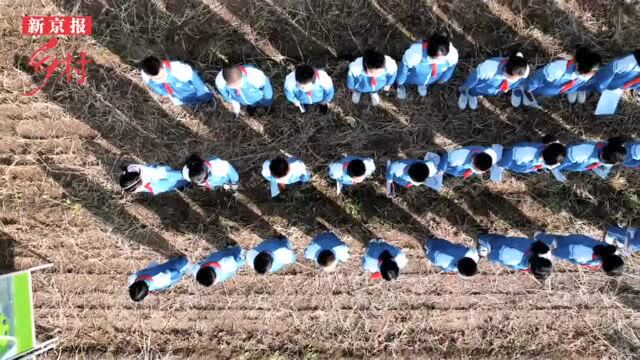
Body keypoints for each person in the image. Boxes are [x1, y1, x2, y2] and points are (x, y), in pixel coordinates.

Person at [525, 47, 602, 105]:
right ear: (583, 69)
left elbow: (575, 85)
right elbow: (537, 78)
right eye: (593, 72)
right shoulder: (557, 70)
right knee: (529, 98)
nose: (594, 74)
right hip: (538, 89)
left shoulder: (585, 74)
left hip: (552, 92)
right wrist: (528, 89)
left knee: (540, 99)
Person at [396, 32, 459, 99]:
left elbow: (451, 67)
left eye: (444, 56)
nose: (442, 60)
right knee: (403, 81)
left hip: (431, 78)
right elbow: (404, 68)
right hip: (412, 76)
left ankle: (423, 84)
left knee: (426, 80)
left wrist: (445, 78)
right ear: (431, 52)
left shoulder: (451, 55)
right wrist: (400, 80)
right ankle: (400, 86)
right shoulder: (415, 54)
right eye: (438, 58)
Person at [458, 52, 530, 110]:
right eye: (511, 78)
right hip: (480, 86)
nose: (514, 80)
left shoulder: (524, 70)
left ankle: (473, 95)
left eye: (518, 78)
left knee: (478, 93)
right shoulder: (490, 68)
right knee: (475, 90)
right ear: (505, 69)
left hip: (491, 90)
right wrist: (466, 87)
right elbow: (474, 76)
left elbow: (519, 82)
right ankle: (465, 94)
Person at [534, 232, 624, 276]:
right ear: (604, 266)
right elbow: (563, 252)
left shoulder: (609, 249)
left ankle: (543, 236)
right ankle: (537, 236)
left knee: (557, 238)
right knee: (549, 241)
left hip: (575, 241)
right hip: (565, 244)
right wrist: (554, 252)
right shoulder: (587, 255)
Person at [139, 56, 213, 106]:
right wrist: (165, 93)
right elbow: (155, 86)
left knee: (205, 97)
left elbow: (195, 79)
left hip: (193, 89)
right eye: (157, 79)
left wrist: (201, 92)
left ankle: (209, 100)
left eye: (162, 76)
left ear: (162, 65)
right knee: (190, 101)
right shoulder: (147, 76)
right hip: (180, 96)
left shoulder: (177, 69)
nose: (162, 80)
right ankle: (196, 103)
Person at [477, 234, 553, 281]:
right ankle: (482, 239)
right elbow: (493, 255)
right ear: (531, 268)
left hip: (502, 240)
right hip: (489, 242)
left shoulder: (542, 249)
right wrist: (488, 256)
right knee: (482, 251)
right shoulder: (515, 259)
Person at [493, 135, 567, 182]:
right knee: (501, 160)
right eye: (549, 164)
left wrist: (555, 172)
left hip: (525, 164)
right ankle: (497, 161)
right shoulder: (527, 153)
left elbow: (548, 162)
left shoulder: (547, 151)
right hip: (511, 161)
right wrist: (500, 164)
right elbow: (509, 154)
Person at [591, 49, 640, 115]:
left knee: (610, 86)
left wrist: (630, 83)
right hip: (634, 63)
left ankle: (605, 109)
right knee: (601, 84)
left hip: (634, 69)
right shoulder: (629, 63)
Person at [557, 137, 627, 180]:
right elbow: (575, 166)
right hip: (565, 158)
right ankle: (561, 169)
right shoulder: (588, 155)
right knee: (564, 166)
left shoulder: (606, 144)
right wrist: (555, 170)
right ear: (604, 158)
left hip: (573, 151)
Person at [119, 163, 190, 195]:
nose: (135, 192)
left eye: (134, 190)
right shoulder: (131, 169)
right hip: (151, 182)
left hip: (161, 176)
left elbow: (169, 174)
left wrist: (187, 176)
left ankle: (185, 182)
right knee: (168, 185)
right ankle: (180, 184)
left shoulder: (153, 173)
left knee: (172, 182)